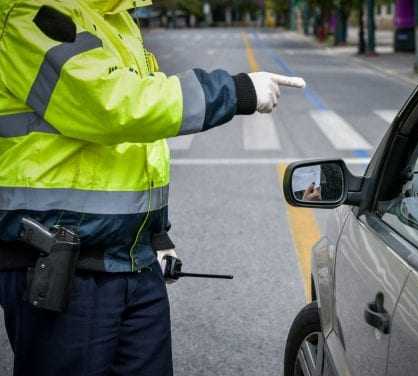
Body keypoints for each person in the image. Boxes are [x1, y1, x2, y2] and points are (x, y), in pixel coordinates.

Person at [0, 1, 305, 375]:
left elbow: (139, 148)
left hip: (131, 262)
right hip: (59, 268)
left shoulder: (116, 19)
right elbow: (113, 106)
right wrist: (234, 91)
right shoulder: (30, 11)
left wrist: (156, 235)